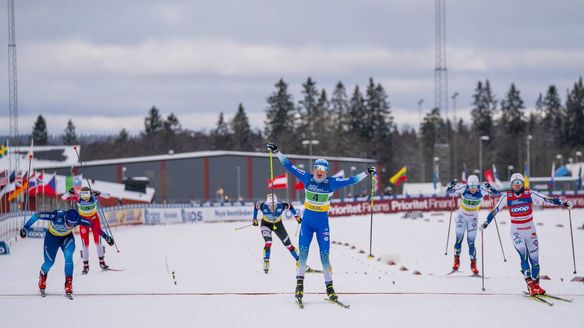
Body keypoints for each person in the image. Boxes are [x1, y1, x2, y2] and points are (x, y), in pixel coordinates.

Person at [266, 142, 375, 304]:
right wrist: (277, 152)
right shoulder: (307, 177)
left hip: (322, 224)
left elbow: (351, 180)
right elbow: (289, 166)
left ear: (326, 171)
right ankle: (299, 286)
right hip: (307, 224)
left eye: (322, 170)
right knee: (303, 254)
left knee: (324, 256)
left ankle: (330, 288)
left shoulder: (332, 182)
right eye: (317, 168)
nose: (319, 172)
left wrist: (366, 173)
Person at [480, 173, 572, 296]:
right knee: (523, 255)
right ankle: (530, 285)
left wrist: (563, 203)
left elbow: (546, 199)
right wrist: (486, 223)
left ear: (523, 184)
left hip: (530, 231)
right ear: (511, 184)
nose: (517, 185)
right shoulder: (507, 197)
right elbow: (495, 210)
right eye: (514, 183)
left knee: (535, 261)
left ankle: (536, 285)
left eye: (519, 183)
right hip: (516, 231)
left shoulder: (530, 194)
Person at [19, 209, 114, 298]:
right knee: (49, 263)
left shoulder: (79, 219)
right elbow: (37, 216)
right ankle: (43, 275)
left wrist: (106, 237)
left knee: (68, 256)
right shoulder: (56, 216)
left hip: (66, 238)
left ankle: (68, 283)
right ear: (65, 218)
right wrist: (25, 228)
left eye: (73, 225)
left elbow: (94, 226)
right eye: (68, 223)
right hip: (52, 238)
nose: (70, 226)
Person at [446, 175, 500, 275]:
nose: (473, 188)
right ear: (468, 184)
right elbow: (448, 192)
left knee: (471, 242)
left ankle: (473, 266)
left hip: (473, 218)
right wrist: (451, 185)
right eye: (471, 185)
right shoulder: (463, 188)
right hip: (461, 216)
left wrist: (490, 187)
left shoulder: (482, 190)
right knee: (459, 239)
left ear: (478, 184)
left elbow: (497, 193)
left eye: (475, 185)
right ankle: (456, 263)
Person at [62, 186, 110, 274]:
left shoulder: (94, 196)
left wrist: (100, 193)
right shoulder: (78, 196)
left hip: (95, 220)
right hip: (83, 221)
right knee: (85, 244)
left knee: (97, 241)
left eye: (87, 198)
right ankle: (85, 266)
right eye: (84, 198)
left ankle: (102, 262)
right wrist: (69, 193)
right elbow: (63, 197)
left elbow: (108, 196)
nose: (86, 200)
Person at [252, 193, 302, 273]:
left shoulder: (281, 205)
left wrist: (296, 216)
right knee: (268, 242)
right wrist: (254, 218)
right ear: (267, 204)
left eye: (274, 205)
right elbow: (256, 206)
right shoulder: (263, 205)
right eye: (270, 206)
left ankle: (299, 261)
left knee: (288, 245)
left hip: (278, 225)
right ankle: (266, 261)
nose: (272, 207)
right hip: (266, 224)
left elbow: (290, 206)